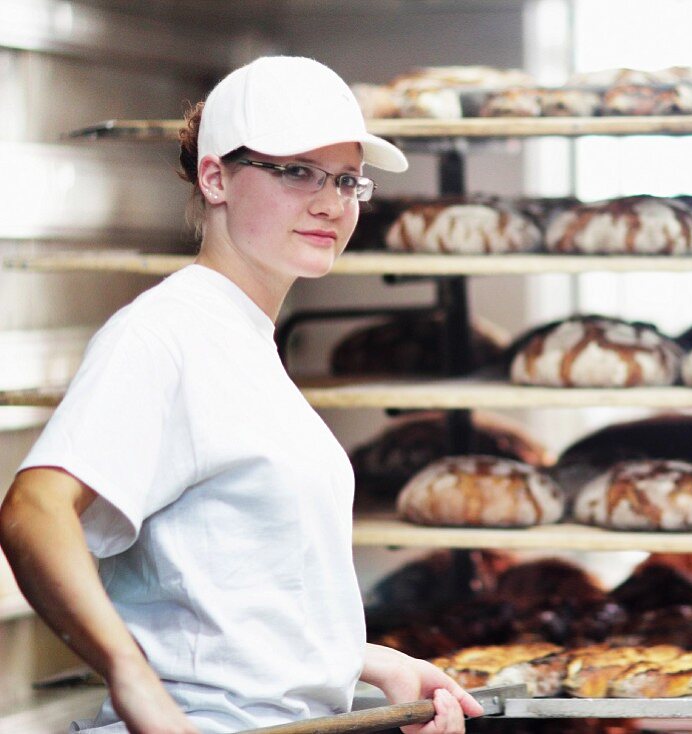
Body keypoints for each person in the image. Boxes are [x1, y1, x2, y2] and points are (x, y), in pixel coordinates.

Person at [0, 56, 483, 734]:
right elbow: (33, 509)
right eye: (297, 173)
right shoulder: (165, 333)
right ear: (215, 176)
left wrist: (365, 662)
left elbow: (230, 584)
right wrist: (130, 675)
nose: (330, 202)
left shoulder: (243, 342)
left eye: (346, 180)